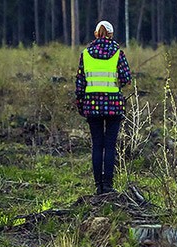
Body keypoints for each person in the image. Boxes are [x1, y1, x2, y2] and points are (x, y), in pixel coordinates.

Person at [75, 21, 132, 195]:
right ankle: (108, 184)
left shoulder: (85, 54)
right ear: (111, 34)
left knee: (97, 145)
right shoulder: (118, 53)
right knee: (110, 145)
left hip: (91, 106)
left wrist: (81, 105)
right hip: (113, 106)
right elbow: (126, 78)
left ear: (96, 34)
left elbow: (80, 84)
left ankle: (98, 185)